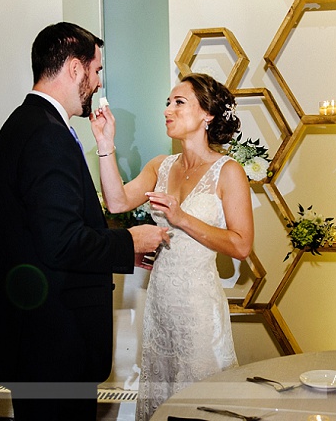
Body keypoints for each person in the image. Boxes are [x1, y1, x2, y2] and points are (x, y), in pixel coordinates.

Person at [0, 22, 170, 421]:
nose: (98, 83)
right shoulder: (47, 135)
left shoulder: (22, 125)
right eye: (97, 70)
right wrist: (130, 243)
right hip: (54, 343)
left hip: (35, 340)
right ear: (74, 68)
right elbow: (61, 241)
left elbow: (43, 234)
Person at [90, 73, 254, 420]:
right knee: (161, 401)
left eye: (179, 102)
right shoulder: (160, 166)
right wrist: (105, 144)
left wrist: (181, 219)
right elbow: (116, 202)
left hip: (198, 309)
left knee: (199, 401)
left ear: (207, 114)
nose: (168, 110)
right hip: (160, 304)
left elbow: (241, 246)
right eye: (167, 102)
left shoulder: (229, 172)